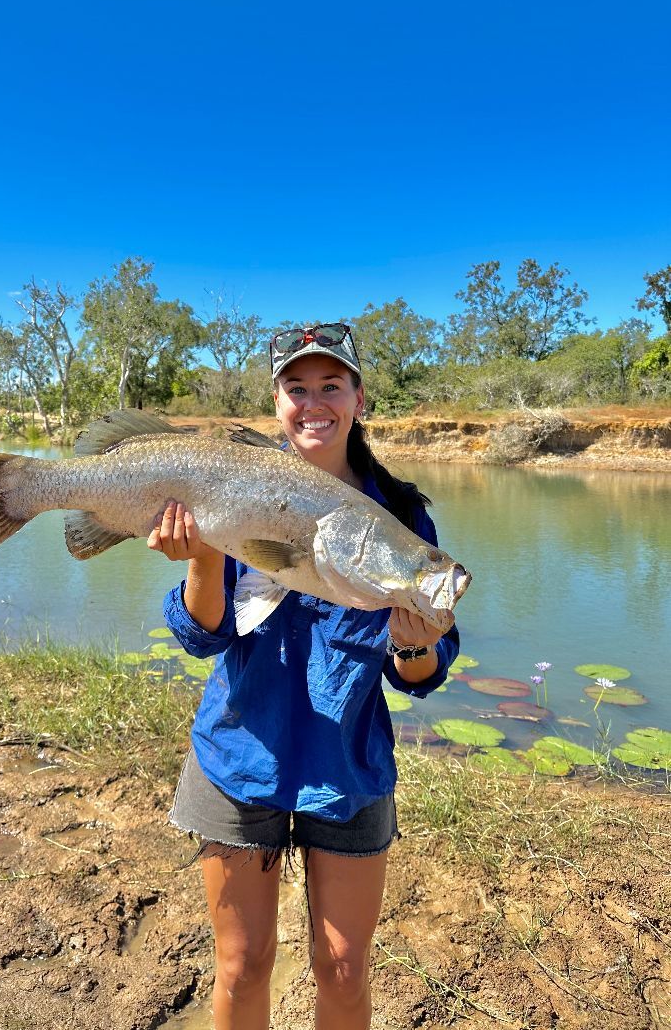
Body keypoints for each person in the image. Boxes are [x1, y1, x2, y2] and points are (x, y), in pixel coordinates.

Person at [147, 322, 459, 1030]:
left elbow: (422, 669)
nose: (313, 402)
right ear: (277, 402)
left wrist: (413, 646)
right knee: (242, 963)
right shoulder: (233, 480)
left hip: (345, 765)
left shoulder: (399, 515)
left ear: (359, 398)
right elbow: (204, 633)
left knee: (345, 969)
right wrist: (202, 554)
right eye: (297, 387)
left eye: (331, 385)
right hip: (239, 753)